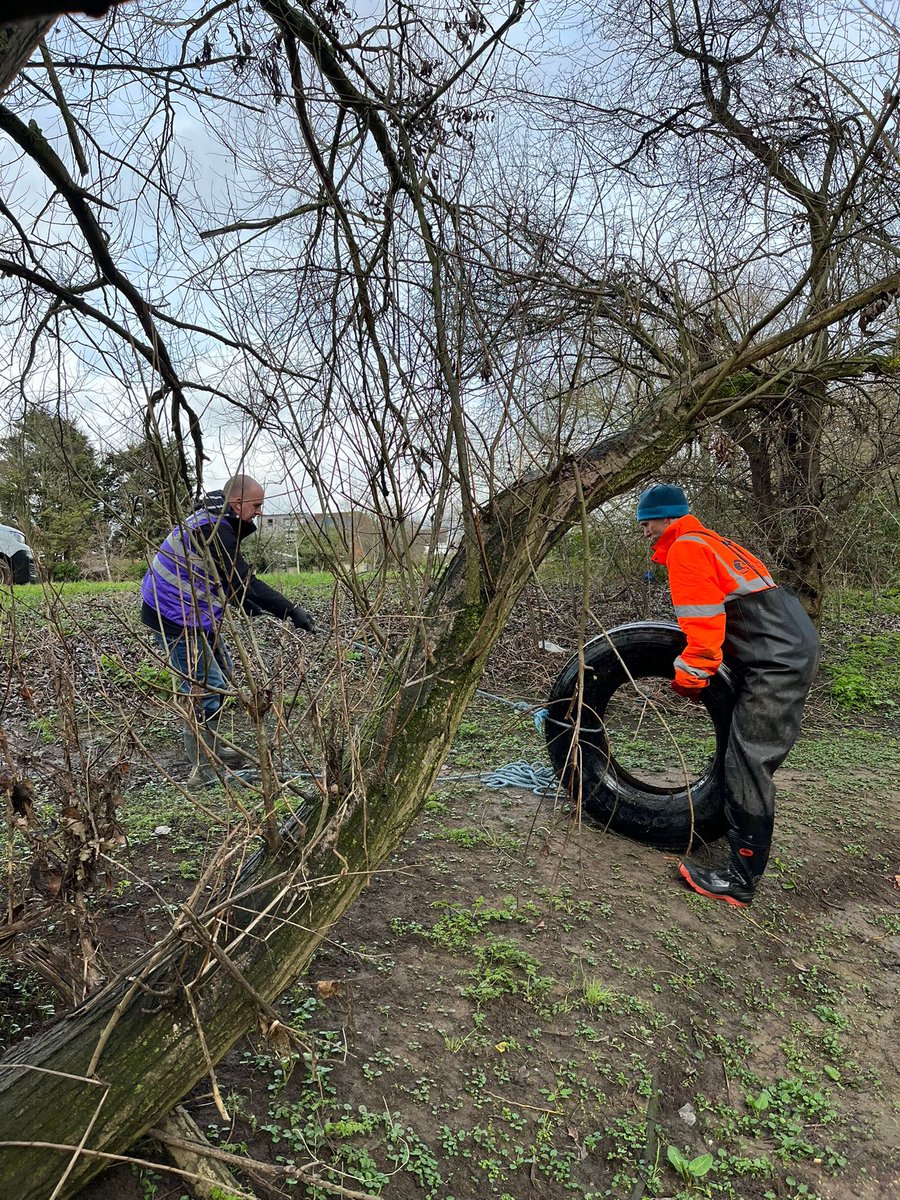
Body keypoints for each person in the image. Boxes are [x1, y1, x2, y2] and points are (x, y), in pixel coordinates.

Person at [637, 483, 819, 907]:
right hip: (783, 648)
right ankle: (737, 847)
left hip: (776, 663)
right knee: (745, 755)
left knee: (748, 760)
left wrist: (690, 680)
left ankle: (740, 879)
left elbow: (704, 631)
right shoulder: (713, 542)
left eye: (646, 522)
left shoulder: (686, 549)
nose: (644, 531)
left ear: (666, 517)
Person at [141, 474, 315, 784]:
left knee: (222, 671)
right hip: (175, 618)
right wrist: (291, 611)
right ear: (237, 503)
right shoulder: (214, 530)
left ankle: (213, 747)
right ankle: (203, 770)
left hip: (195, 613)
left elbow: (222, 575)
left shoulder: (213, 519)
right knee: (205, 688)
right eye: (257, 505)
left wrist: (240, 600)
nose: (260, 511)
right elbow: (243, 580)